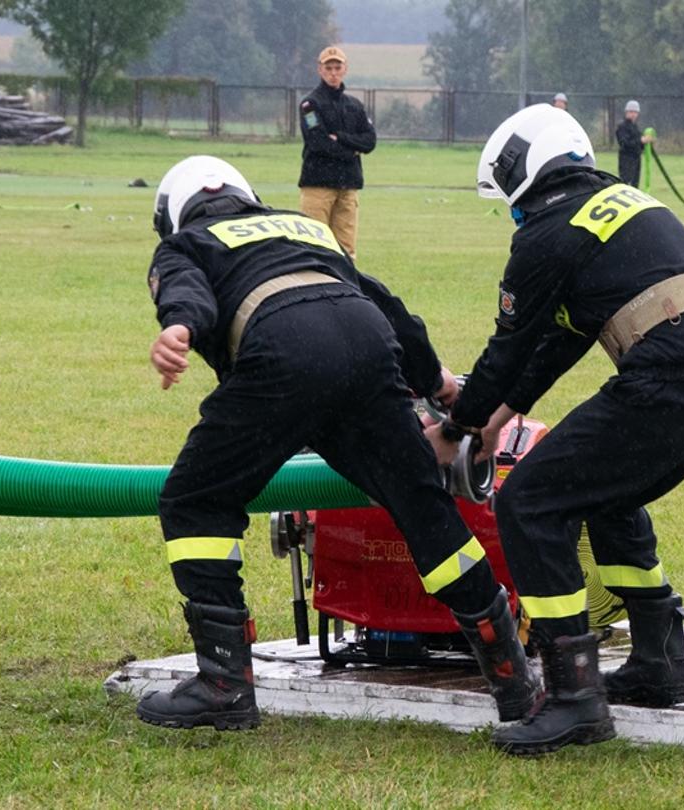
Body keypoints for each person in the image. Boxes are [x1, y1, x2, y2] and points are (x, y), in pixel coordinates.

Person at [135, 155, 536, 730]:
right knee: (424, 508)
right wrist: (438, 383)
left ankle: (223, 684)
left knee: (195, 501)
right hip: (367, 347)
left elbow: (187, 293)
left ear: (173, 215)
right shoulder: (305, 229)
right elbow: (385, 304)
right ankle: (515, 684)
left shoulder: (186, 243)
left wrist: (178, 326)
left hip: (282, 355)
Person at [429, 105, 684, 756]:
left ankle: (573, 699)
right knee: (605, 495)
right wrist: (497, 421)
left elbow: (508, 347)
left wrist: (459, 426)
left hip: (673, 375)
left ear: (522, 174)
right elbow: (559, 342)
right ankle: (660, 664)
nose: (511, 211)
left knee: (530, 501)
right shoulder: (620, 203)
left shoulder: (546, 231)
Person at [297, 47, 374, 260]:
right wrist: (352, 151)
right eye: (328, 68)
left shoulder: (355, 105)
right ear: (320, 70)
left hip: (348, 186)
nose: (333, 73)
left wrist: (339, 137)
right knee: (315, 247)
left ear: (345, 69)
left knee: (346, 251)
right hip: (318, 186)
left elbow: (369, 141)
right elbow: (318, 142)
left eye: (337, 68)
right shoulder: (310, 105)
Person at [614, 100, 653, 187]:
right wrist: (640, 141)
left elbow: (639, 144)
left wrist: (646, 143)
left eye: (635, 112)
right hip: (626, 159)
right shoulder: (622, 126)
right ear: (626, 112)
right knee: (626, 183)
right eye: (631, 112)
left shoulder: (635, 127)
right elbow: (624, 143)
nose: (633, 114)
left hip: (636, 159)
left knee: (635, 184)